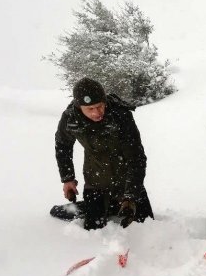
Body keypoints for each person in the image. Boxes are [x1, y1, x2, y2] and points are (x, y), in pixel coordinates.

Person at [55, 77, 154, 230]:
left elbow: (136, 158)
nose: (97, 113)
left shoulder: (120, 116)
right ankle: (99, 206)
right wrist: (67, 179)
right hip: (95, 182)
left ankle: (115, 204)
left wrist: (130, 196)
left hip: (127, 181)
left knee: (147, 226)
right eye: (90, 109)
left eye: (100, 106)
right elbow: (63, 146)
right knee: (94, 228)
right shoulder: (70, 118)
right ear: (79, 106)